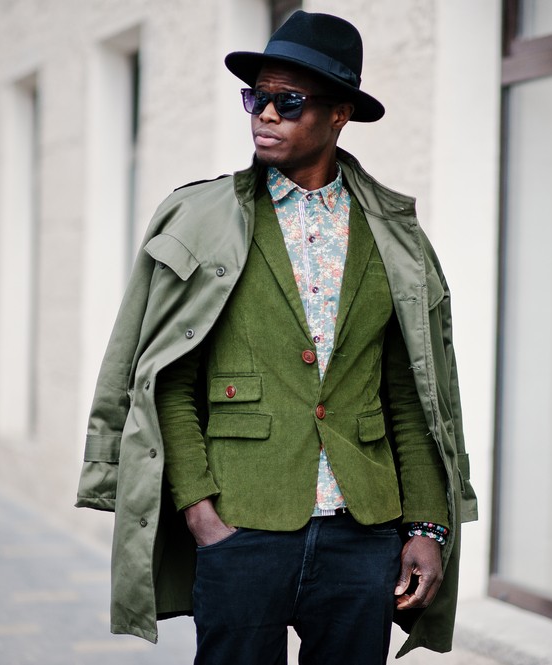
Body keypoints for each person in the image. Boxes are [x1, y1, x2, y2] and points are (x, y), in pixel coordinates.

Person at [76, 10, 477, 664]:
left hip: (363, 531)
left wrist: (428, 526)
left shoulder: (392, 235)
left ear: (339, 113)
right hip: (243, 526)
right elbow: (170, 381)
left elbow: (413, 395)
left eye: (286, 101)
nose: (264, 114)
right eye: (255, 97)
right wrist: (204, 515)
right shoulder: (207, 220)